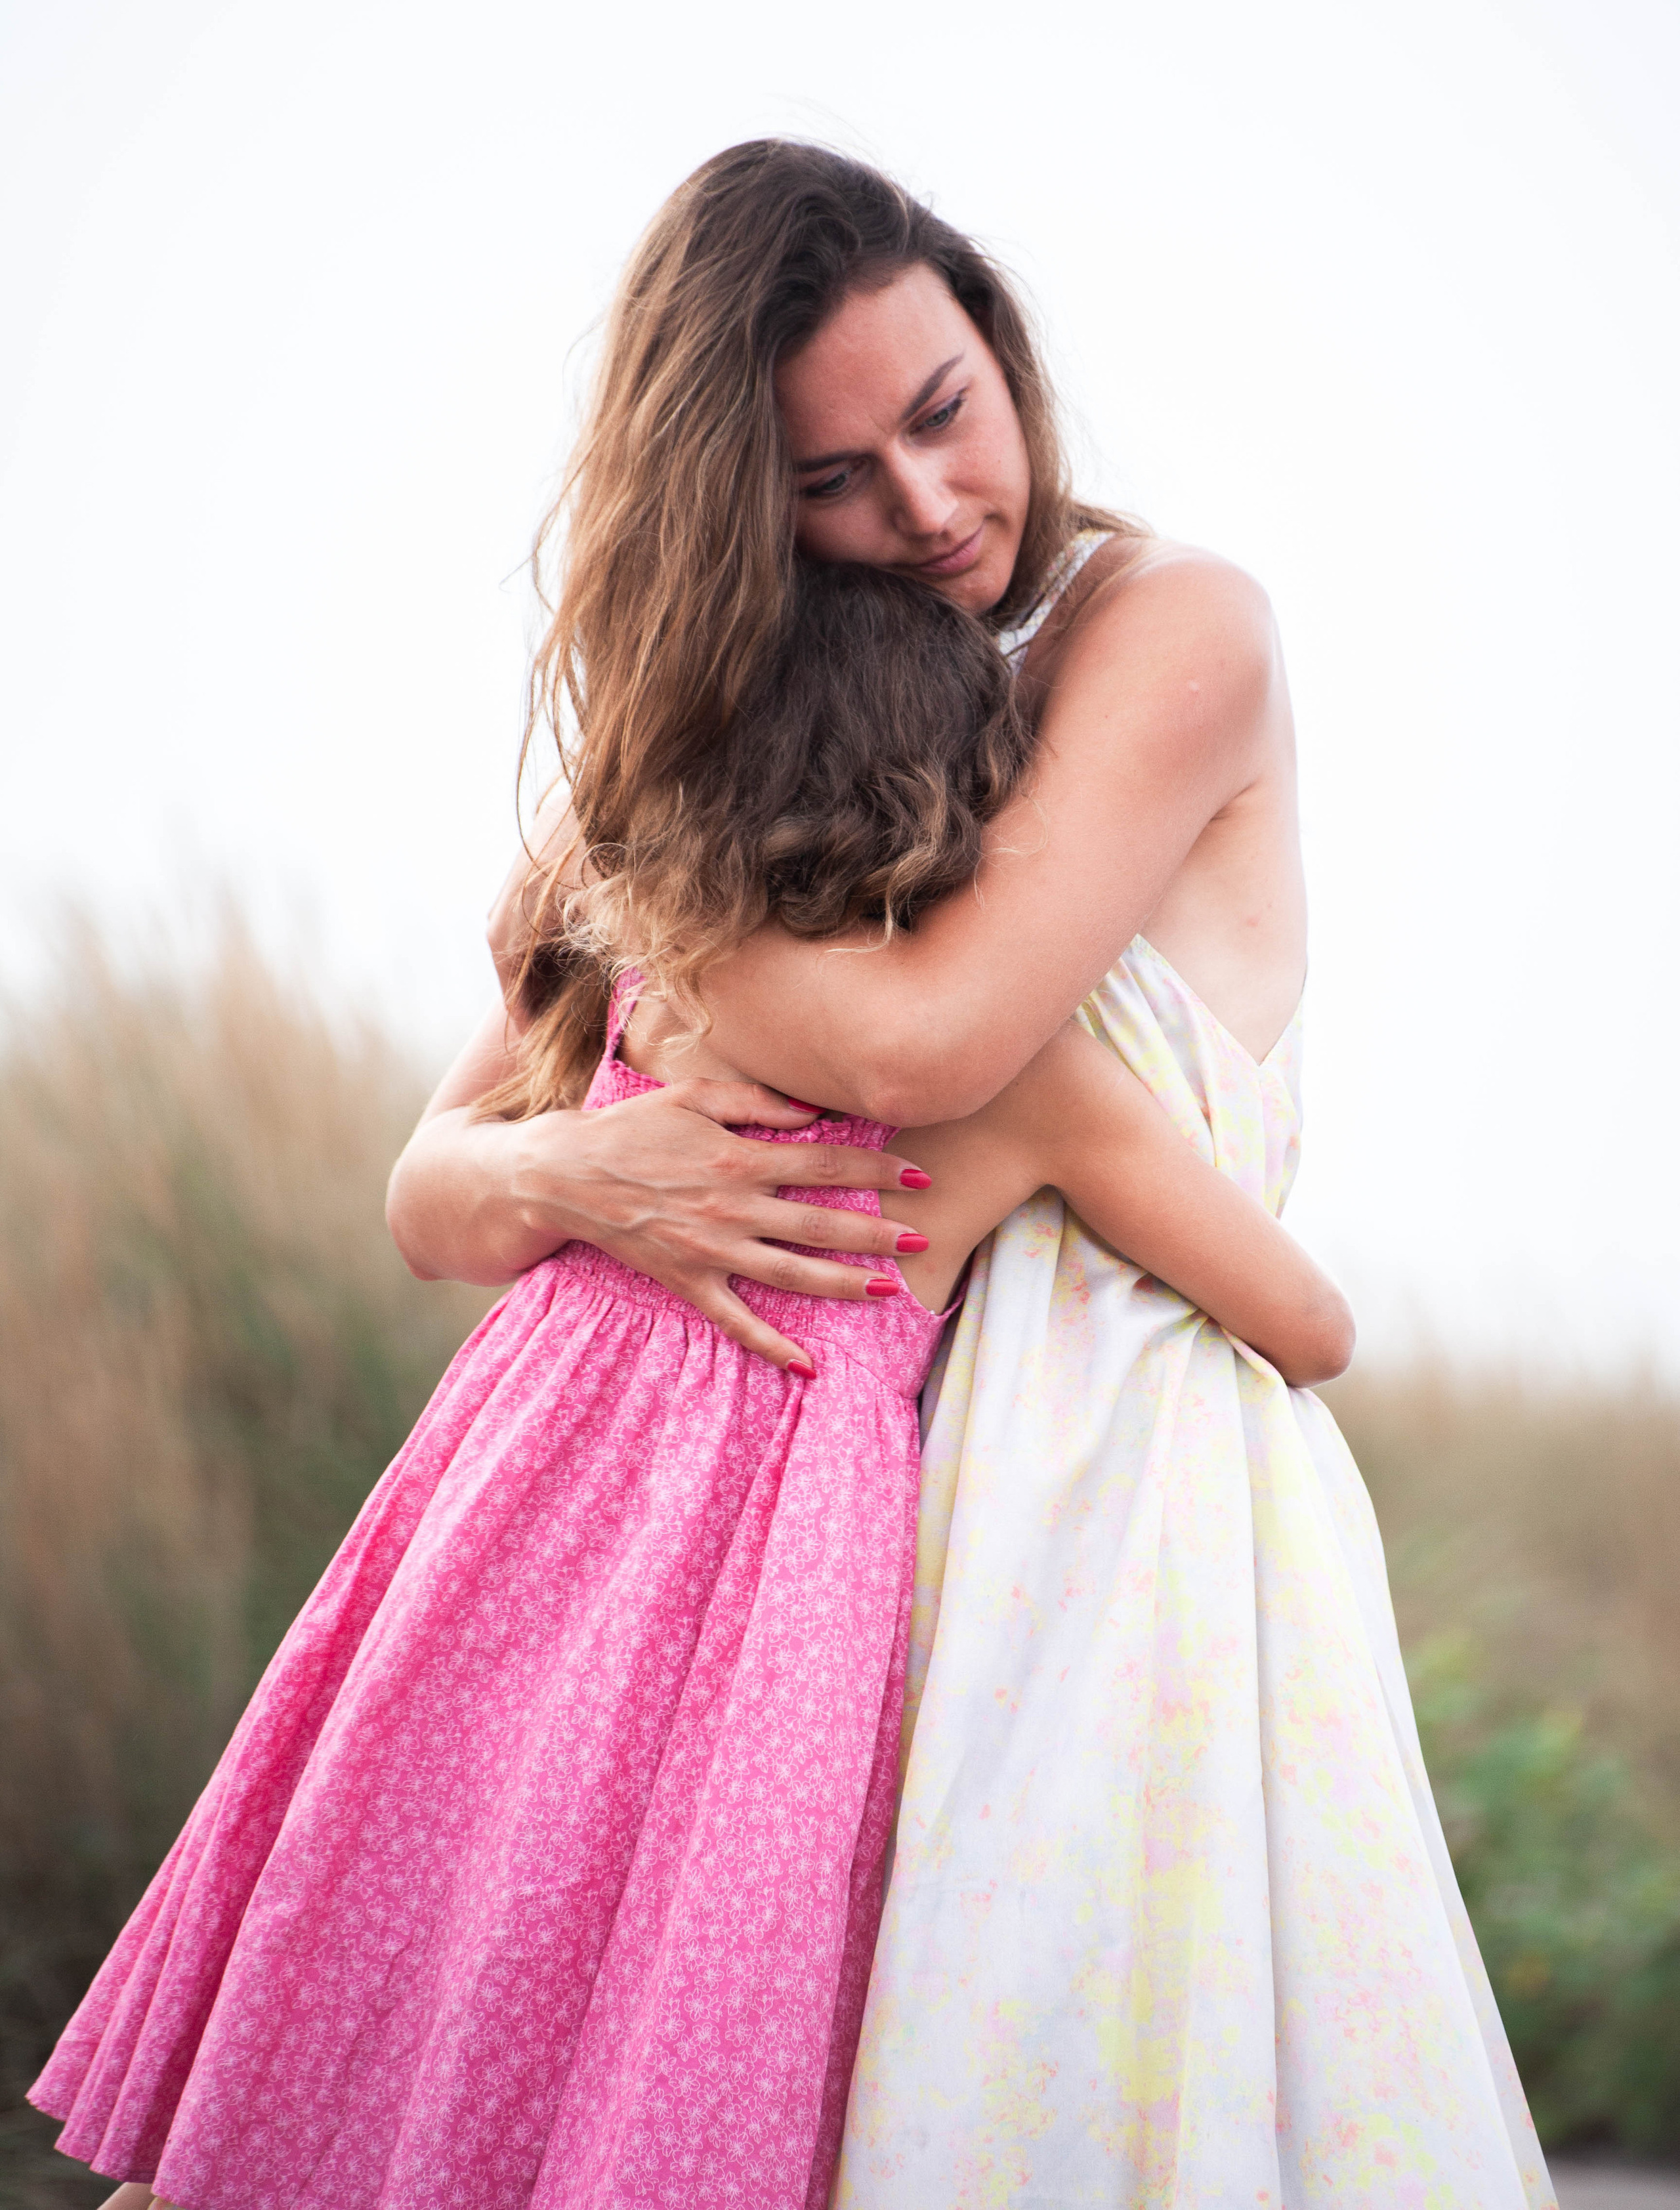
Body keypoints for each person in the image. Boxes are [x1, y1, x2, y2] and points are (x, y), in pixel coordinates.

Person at [390, 142, 1557, 2207]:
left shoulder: (1167, 623)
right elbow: (428, 1185)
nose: (926, 512)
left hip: (1116, 1500)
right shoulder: (792, 741)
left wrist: (626, 866)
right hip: (819, 1517)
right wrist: (592, 1169)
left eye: (944, 414)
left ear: (1001, 347)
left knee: (1068, 2100)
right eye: (830, 480)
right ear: (745, 507)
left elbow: (936, 1042)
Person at [34, 559, 1351, 2210]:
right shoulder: (1024, 1083)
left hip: (520, 1497)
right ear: (973, 819)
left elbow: (451, 1156)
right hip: (772, 1599)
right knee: (673, 2004)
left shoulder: (652, 987)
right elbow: (1307, 1325)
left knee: (429, 1919)